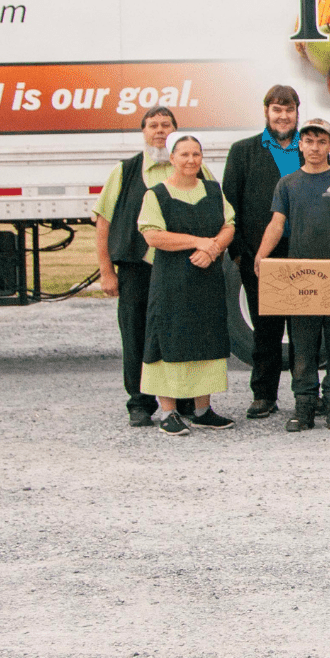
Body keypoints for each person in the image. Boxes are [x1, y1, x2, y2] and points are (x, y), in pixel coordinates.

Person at [254, 118, 330, 431]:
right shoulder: (287, 184)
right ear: (299, 145)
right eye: (308, 141)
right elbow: (277, 224)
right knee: (302, 345)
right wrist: (262, 255)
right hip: (299, 276)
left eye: (321, 141)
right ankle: (303, 404)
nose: (315, 148)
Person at [94, 103, 194, 428]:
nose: (160, 130)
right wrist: (106, 271)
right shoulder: (124, 171)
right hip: (137, 268)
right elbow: (103, 223)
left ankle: (184, 399)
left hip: (181, 267)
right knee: (135, 333)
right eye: (153, 125)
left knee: (181, 330)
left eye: (166, 124)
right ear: (144, 132)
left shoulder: (192, 168)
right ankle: (139, 403)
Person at [138, 133, 238, 435]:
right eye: (184, 155)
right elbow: (152, 235)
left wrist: (214, 249)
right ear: (172, 158)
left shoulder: (212, 189)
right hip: (172, 282)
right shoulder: (156, 195)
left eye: (196, 154)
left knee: (206, 338)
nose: (191, 160)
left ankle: (202, 410)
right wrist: (199, 243)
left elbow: (229, 225)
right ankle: (168, 412)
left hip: (206, 280)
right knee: (168, 339)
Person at [222, 84, 302, 420]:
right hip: (258, 260)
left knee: (303, 332)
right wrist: (240, 254)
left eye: (289, 110)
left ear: (297, 112)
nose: (283, 116)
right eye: (276, 110)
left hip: (304, 257)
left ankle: (305, 394)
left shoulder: (311, 148)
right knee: (265, 331)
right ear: (266, 112)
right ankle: (264, 395)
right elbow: (229, 205)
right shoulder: (243, 151)